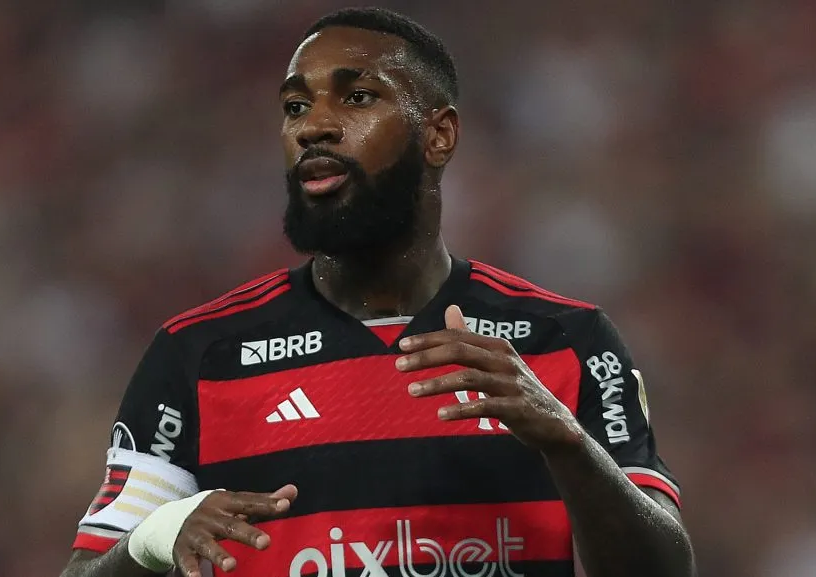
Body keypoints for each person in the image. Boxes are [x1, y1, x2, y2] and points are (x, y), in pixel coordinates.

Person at [59, 7, 694, 577]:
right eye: (295, 107)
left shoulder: (564, 341)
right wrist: (153, 539)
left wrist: (567, 442)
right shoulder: (198, 355)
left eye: (357, 97)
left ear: (438, 135)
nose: (314, 128)